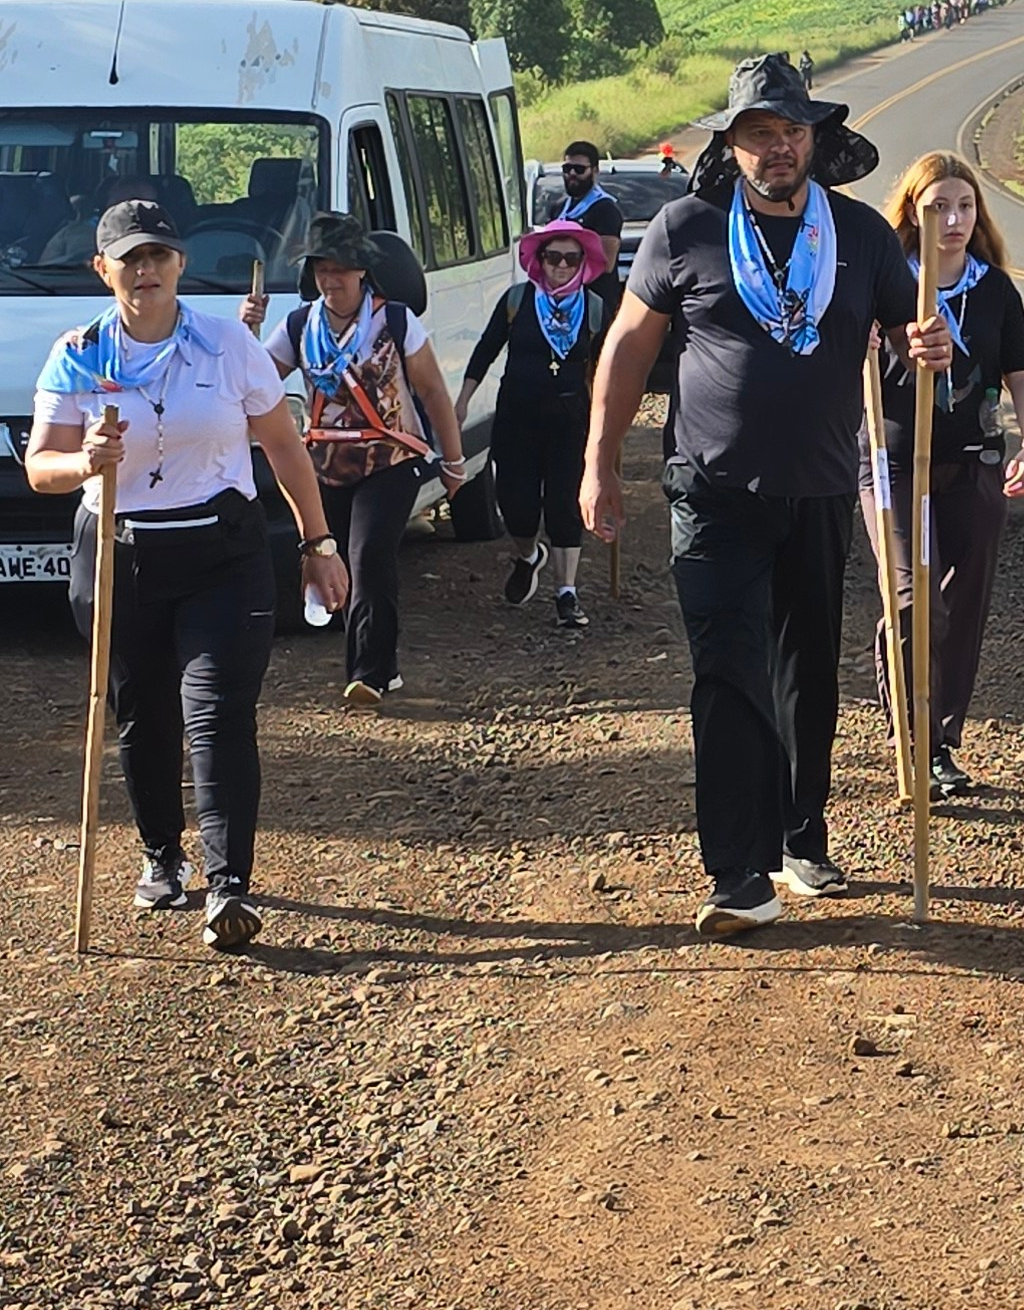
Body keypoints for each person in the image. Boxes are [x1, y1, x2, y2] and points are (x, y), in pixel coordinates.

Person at [580, 52, 950, 936]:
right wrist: (597, 465)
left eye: (790, 131)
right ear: (732, 147)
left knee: (805, 671)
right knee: (726, 671)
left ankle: (800, 833)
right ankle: (737, 874)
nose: (776, 147)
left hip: (819, 490)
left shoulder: (858, 236)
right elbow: (630, 349)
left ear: (816, 141)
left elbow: (910, 329)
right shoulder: (686, 228)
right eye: (758, 134)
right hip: (711, 491)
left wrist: (926, 345)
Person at [27, 195, 349, 951]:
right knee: (144, 714)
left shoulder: (226, 345)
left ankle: (228, 884)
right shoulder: (78, 353)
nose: (147, 270)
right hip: (120, 548)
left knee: (218, 710)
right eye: (130, 258)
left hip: (221, 550)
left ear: (181, 264)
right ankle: (161, 856)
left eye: (159, 255)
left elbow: (284, 447)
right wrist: (85, 462)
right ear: (102, 268)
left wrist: (319, 544)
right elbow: (42, 466)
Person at [861, 153, 1024, 794]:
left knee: (964, 606)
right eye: (938, 206)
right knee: (916, 603)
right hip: (891, 463)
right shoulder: (886, 283)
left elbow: (1021, 371)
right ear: (913, 211)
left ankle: (940, 741)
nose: (954, 219)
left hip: (974, 464)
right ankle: (911, 732)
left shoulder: (994, 289)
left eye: (964, 206)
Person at [261, 212, 467, 706]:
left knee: (370, 555)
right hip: (325, 466)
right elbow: (256, 384)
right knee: (329, 558)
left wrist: (454, 461)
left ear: (362, 272)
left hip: (389, 460)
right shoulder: (297, 325)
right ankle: (380, 665)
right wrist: (245, 334)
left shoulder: (395, 320)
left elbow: (433, 390)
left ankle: (368, 672)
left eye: (341, 268)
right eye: (321, 269)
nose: (331, 279)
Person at [463, 218, 618, 628]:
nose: (562, 266)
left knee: (564, 505)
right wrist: (462, 401)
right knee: (517, 506)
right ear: (540, 260)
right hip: (517, 417)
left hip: (570, 421)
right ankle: (529, 555)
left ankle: (566, 592)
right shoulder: (517, 301)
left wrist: (613, 418)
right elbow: (485, 350)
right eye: (554, 257)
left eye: (571, 258)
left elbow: (610, 367)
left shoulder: (596, 309)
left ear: (583, 262)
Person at [555, 140, 624, 260]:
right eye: (567, 168)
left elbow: (606, 262)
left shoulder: (606, 209)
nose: (572, 173)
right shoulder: (558, 207)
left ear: (595, 170)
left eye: (579, 169)